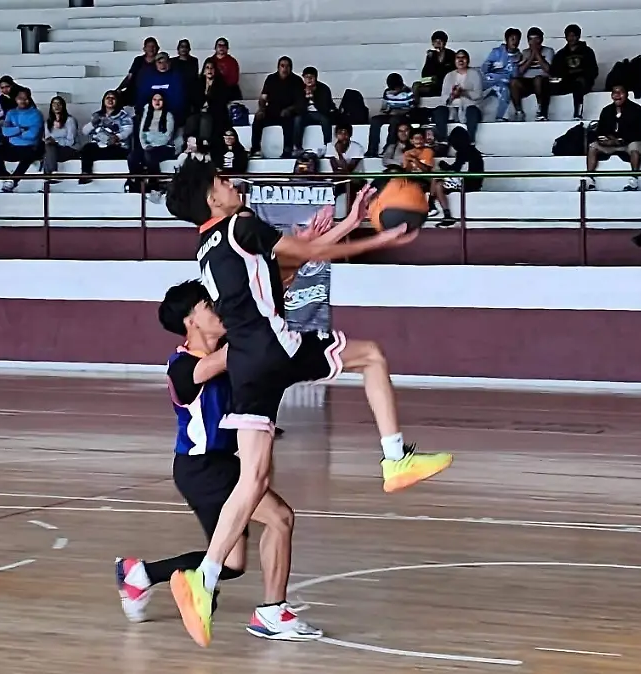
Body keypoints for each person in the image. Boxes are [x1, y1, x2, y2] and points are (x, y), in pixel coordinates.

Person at [163, 159, 454, 647]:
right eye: (222, 181)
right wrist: (377, 239)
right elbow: (310, 251)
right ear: (213, 199)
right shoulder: (242, 223)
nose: (232, 184)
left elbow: (287, 267)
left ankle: (206, 578)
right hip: (275, 348)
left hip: (246, 366)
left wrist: (345, 223)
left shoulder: (206, 250)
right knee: (372, 357)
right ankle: (394, 458)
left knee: (252, 480)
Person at [115, 278, 322, 640]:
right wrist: (254, 320)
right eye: (209, 306)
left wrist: (282, 277)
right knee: (280, 519)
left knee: (232, 564)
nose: (218, 309)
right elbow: (227, 356)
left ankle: (140, 574)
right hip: (201, 468)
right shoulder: (182, 368)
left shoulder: (229, 347)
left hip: (224, 464)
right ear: (190, 322)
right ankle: (272, 613)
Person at [583, 84, 641, 192]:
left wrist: (620, 140)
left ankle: (634, 179)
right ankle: (589, 179)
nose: (617, 95)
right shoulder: (606, 110)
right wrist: (606, 139)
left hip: (628, 143)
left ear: (627, 94)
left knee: (635, 147)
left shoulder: (637, 110)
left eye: (620, 92)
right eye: (614, 93)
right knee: (593, 146)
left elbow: (640, 132)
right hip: (611, 144)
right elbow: (601, 131)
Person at [0, 87, 44, 193]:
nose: (23, 101)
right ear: (16, 99)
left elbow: (32, 135)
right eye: (20, 98)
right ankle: (4, 176)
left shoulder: (36, 114)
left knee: (28, 156)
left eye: (25, 98)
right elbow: (5, 132)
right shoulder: (11, 113)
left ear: (29, 99)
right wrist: (21, 129)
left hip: (29, 146)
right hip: (12, 146)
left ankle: (13, 181)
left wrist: (14, 132)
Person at [431, 126, 484, 227]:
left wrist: (445, 167)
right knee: (437, 179)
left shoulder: (465, 152)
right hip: (468, 181)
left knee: (438, 182)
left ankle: (435, 207)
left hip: (469, 183)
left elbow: (456, 170)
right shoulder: (471, 151)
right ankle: (436, 208)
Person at [549, 24, 599, 121]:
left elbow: (593, 70)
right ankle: (543, 114)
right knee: (545, 84)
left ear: (578, 36)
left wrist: (585, 78)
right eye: (569, 36)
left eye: (574, 35)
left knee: (578, 84)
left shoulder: (587, 51)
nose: (571, 38)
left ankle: (578, 113)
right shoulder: (561, 54)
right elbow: (554, 71)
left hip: (582, 82)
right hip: (566, 81)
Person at [432, 50, 483, 144]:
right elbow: (443, 97)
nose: (460, 60)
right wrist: (453, 95)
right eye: (458, 58)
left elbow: (478, 94)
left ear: (467, 60)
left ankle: (470, 140)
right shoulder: (449, 75)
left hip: (469, 107)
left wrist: (463, 92)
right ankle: (442, 140)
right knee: (439, 111)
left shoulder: (475, 74)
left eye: (463, 58)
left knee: (472, 111)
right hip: (452, 108)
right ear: (454, 61)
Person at [509, 27, 555, 121]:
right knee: (513, 82)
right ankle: (519, 111)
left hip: (543, 81)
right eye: (531, 39)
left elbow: (548, 70)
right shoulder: (525, 52)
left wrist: (537, 54)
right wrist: (531, 56)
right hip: (527, 81)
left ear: (541, 39)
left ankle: (540, 108)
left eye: (536, 39)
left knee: (538, 79)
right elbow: (520, 71)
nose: (533, 42)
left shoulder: (548, 51)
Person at [41, 95, 80, 180]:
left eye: (59, 104)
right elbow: (48, 138)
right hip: (54, 150)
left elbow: (71, 141)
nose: (56, 106)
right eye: (54, 104)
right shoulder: (48, 122)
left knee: (48, 151)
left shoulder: (70, 120)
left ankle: (48, 178)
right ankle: (51, 175)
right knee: (48, 148)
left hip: (70, 149)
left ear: (63, 106)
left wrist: (56, 141)